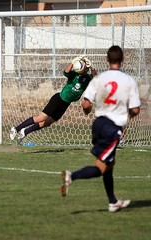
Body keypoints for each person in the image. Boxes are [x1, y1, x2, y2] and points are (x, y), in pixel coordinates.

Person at [60, 45, 141, 212]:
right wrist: (127, 117)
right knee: (101, 167)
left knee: (109, 164)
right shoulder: (129, 81)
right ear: (122, 60)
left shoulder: (99, 79)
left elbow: (86, 104)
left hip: (98, 125)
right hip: (112, 129)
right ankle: (71, 176)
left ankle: (113, 201)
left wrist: (87, 110)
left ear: (107, 59)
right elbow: (135, 110)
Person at [10, 55, 97, 145]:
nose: (86, 69)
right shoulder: (74, 75)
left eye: (86, 67)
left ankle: (25, 132)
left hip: (66, 104)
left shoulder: (88, 78)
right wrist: (72, 62)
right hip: (58, 99)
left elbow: (96, 79)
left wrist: (92, 67)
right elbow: (66, 72)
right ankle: (16, 129)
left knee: (48, 122)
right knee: (41, 118)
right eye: (85, 67)